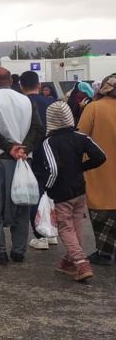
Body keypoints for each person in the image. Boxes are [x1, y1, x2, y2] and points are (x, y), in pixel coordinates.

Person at [33, 102, 106, 282]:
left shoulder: (48, 142)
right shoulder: (81, 137)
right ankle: (67, 262)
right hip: (79, 189)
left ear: (50, 120)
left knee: (65, 227)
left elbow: (53, 169)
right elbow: (100, 156)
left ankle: (81, 264)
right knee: (76, 226)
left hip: (61, 192)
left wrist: (48, 189)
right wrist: (82, 167)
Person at [0, 68, 44, 265]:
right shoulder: (26, 100)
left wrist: (9, 147)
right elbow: (38, 128)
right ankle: (19, 249)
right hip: (22, 160)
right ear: (10, 80)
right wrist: (23, 149)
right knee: (21, 202)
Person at [77, 75, 116, 266]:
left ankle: (105, 251)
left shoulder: (94, 108)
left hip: (101, 168)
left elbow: (80, 135)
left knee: (103, 209)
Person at [20, 71, 57, 250]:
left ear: (21, 85)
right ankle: (51, 232)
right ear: (39, 85)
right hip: (52, 154)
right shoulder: (51, 103)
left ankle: (40, 234)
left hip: (31, 153)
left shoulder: (22, 104)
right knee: (49, 193)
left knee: (34, 193)